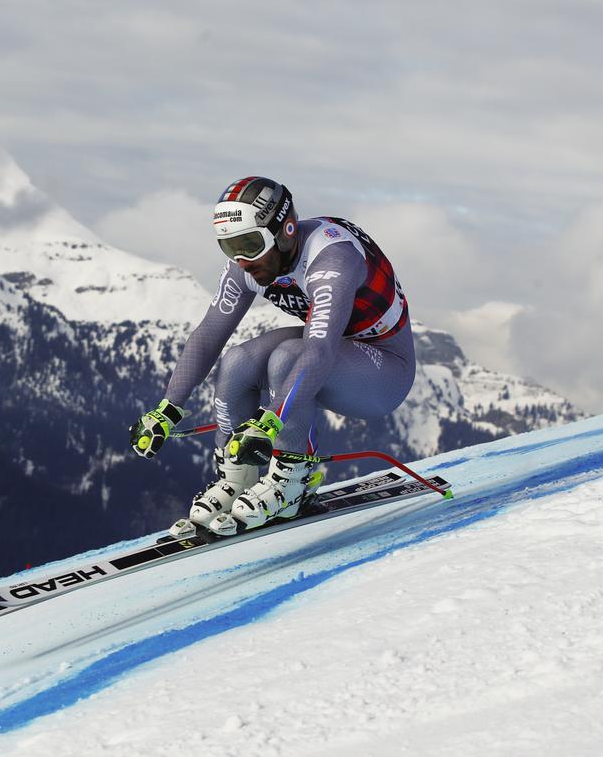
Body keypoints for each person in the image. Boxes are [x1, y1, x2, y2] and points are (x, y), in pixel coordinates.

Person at [129, 176, 415, 536]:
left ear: (286, 231)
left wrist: (272, 420)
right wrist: (167, 408)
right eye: (229, 247)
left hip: (384, 370)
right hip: (338, 348)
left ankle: (292, 481)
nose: (242, 261)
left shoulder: (332, 259)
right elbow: (209, 334)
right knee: (237, 362)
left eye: (250, 244)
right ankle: (238, 477)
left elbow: (319, 350)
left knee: (287, 358)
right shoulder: (252, 262)